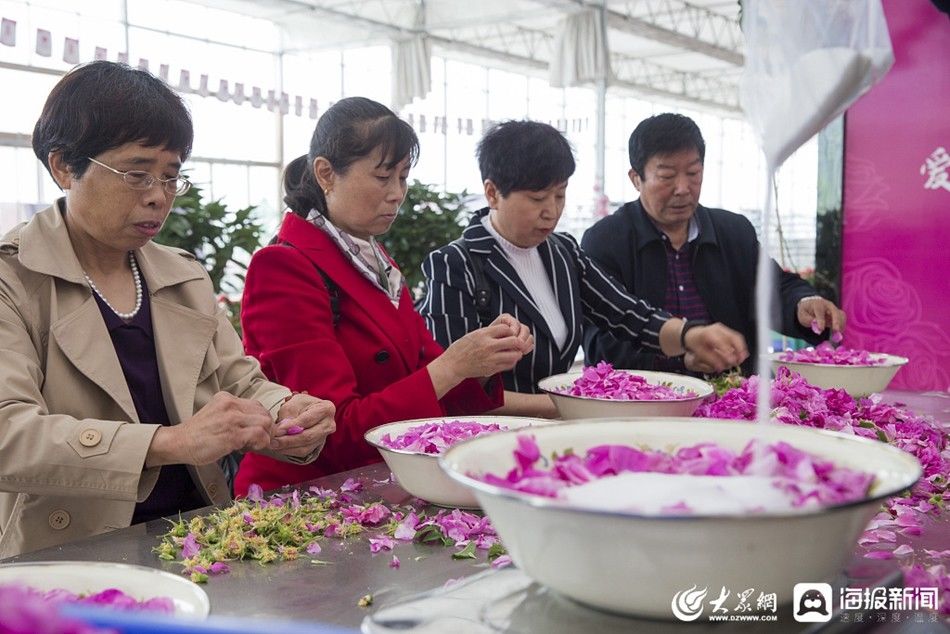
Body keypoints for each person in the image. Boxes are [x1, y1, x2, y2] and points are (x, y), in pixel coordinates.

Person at [0, 61, 335, 557]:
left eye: (171, 176)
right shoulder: (14, 279)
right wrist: (168, 443)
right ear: (64, 167)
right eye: (136, 174)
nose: (158, 197)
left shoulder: (180, 275)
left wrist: (285, 412)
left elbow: (239, 382)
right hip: (68, 551)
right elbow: (9, 434)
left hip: (196, 539)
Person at [234, 97, 533, 495]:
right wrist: (453, 366)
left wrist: (481, 358)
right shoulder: (284, 267)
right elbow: (329, 430)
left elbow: (425, 368)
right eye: (382, 177)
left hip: (372, 485)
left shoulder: (374, 260)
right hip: (304, 498)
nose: (397, 194)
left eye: (403, 177)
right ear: (326, 173)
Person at [419, 120, 748, 417]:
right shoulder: (455, 264)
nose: (551, 211)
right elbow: (458, 389)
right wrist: (572, 405)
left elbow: (626, 314)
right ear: (492, 193)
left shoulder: (562, 253)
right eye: (537, 199)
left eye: (560, 195)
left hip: (561, 430)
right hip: (495, 439)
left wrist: (691, 334)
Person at [581, 113, 846, 375]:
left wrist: (804, 303)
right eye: (666, 176)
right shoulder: (606, 241)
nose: (683, 188)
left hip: (732, 397)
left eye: (693, 173)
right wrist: (680, 360)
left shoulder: (732, 232)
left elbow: (775, 288)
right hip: (645, 402)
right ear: (636, 178)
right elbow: (599, 344)